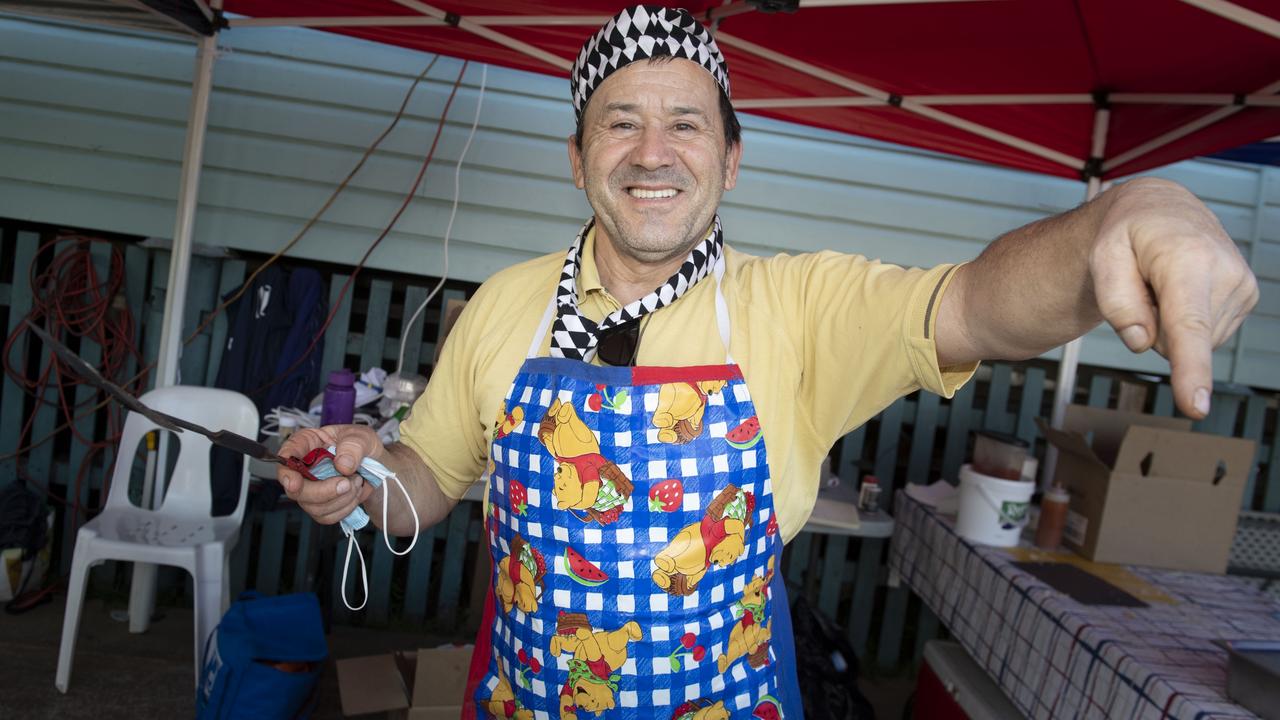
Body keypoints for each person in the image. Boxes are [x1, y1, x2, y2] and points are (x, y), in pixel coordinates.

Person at [278, 6, 1257, 718]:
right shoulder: (504, 308)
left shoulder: (797, 307)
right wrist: (362, 478)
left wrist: (1128, 212)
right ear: (576, 159)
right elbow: (432, 479)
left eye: (685, 123)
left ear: (732, 159)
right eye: (618, 121)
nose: (650, 150)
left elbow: (976, 303)